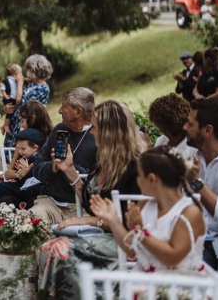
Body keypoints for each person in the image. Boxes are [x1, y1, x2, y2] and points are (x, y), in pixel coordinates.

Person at [38, 100, 144, 299]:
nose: (91, 132)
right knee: (49, 247)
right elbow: (90, 202)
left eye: (94, 127)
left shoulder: (136, 168)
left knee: (62, 252)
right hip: (104, 235)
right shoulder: (103, 161)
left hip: (124, 241)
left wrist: (87, 220)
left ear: (108, 131)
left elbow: (129, 223)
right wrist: (69, 169)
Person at [90, 147, 206, 274]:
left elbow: (172, 258)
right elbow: (131, 250)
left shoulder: (189, 212)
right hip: (143, 281)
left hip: (179, 287)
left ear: (152, 179)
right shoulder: (145, 204)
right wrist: (113, 220)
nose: (137, 181)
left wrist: (141, 233)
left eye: (139, 176)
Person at [29, 87, 97, 224]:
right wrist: (52, 167)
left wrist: (70, 167)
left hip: (84, 209)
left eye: (64, 106)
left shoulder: (97, 137)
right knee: (31, 220)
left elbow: (97, 183)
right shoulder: (61, 130)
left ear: (78, 112)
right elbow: (36, 164)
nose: (59, 110)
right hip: (52, 204)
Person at [183, 98, 218, 270]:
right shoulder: (190, 152)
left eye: (190, 124)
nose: (184, 127)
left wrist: (197, 182)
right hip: (191, 237)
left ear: (207, 131)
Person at [3, 54, 53, 148]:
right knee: (8, 155)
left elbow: (23, 104)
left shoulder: (43, 88)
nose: (27, 72)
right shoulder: (29, 84)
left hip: (26, 127)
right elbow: (14, 100)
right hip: (14, 125)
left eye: (29, 69)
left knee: (20, 156)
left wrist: (20, 82)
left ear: (36, 70)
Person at [0, 128, 45, 209]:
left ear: (35, 148)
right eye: (18, 148)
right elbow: (7, 175)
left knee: (36, 192)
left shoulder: (40, 158)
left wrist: (28, 169)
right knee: (1, 186)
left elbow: (39, 178)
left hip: (35, 190)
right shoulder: (23, 158)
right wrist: (19, 173)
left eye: (23, 149)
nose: (20, 151)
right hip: (22, 188)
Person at [148, 93, 196, 159]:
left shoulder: (190, 148)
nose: (158, 127)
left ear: (164, 126)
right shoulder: (162, 140)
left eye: (157, 123)